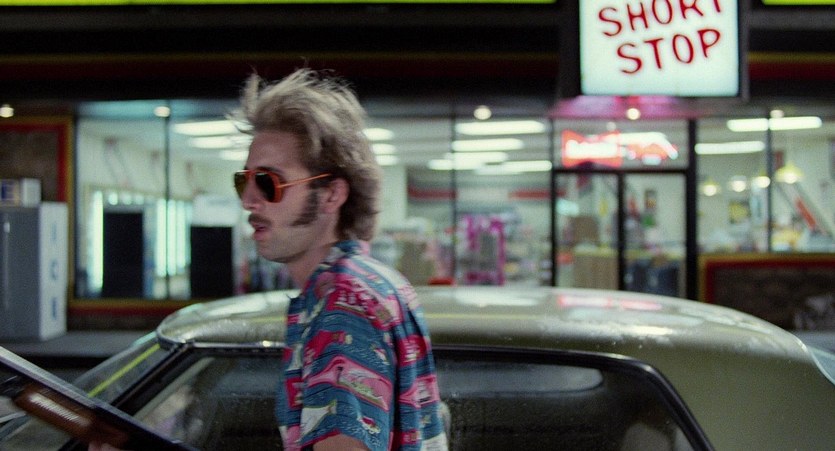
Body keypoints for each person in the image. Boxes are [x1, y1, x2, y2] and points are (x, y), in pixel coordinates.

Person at [234, 68, 448, 451]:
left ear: (332, 195)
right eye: (243, 181)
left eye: (267, 182)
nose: (249, 200)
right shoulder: (375, 280)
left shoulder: (342, 308)